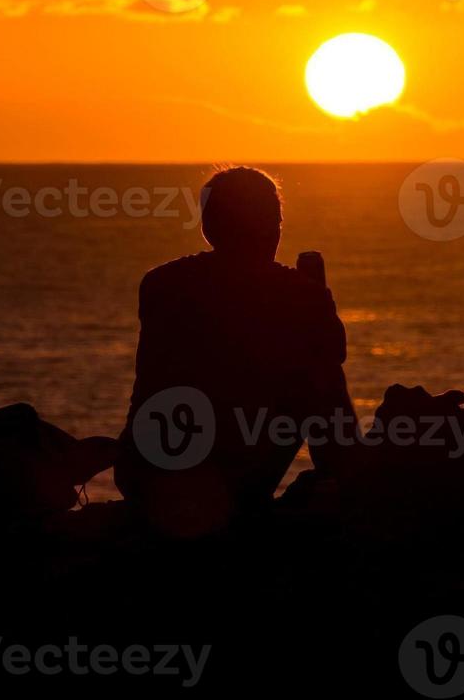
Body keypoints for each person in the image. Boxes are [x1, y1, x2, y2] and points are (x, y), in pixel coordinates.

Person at [115, 166, 357, 534]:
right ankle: (344, 480)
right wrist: (316, 300)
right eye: (272, 220)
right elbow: (330, 360)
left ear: (207, 227)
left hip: (146, 471)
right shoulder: (298, 295)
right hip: (229, 483)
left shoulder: (161, 283)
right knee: (318, 375)